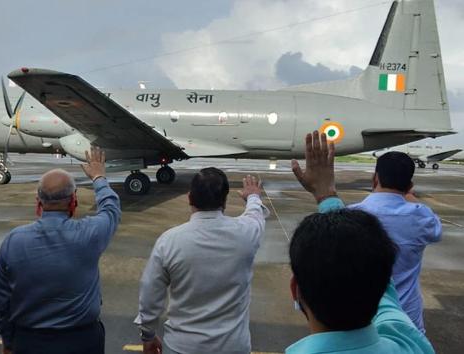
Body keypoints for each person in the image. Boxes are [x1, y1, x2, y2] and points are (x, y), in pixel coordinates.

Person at [287, 131, 435, 353]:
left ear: (296, 290)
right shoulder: (409, 342)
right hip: (407, 309)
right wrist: (327, 196)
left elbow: (351, 250)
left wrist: (326, 195)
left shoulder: (357, 212)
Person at [0, 147, 121, 354]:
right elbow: (111, 208)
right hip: (82, 341)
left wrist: (8, 339)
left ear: (39, 202)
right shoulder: (90, 233)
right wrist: (98, 177)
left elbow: (1, 297)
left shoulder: (14, 240)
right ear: (74, 201)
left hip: (29, 341)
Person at [135, 167, 269, 354]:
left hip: (182, 347)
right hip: (232, 347)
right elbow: (255, 215)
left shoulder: (169, 241)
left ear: (190, 197)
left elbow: (150, 294)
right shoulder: (246, 233)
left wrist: (148, 335)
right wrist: (253, 196)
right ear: (224, 200)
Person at [347, 151, 441, 332]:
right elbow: (436, 230)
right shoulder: (421, 216)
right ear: (410, 185)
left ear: (374, 178)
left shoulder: (351, 214)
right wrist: (410, 197)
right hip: (407, 320)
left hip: (362, 320)